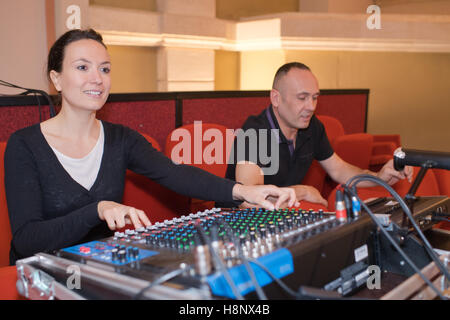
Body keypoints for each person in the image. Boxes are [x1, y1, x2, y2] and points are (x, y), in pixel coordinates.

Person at [4, 29, 297, 265]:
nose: (97, 78)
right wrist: (98, 210)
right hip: (43, 273)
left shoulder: (121, 139)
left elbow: (175, 174)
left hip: (100, 268)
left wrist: (243, 191)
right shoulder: (24, 145)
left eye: (104, 69)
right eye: (83, 67)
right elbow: (27, 239)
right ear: (56, 78)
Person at [222, 62, 413, 209]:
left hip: (281, 216)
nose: (311, 107)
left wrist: (380, 177)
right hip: (236, 226)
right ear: (276, 98)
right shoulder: (255, 132)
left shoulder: (312, 127)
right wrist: (303, 191)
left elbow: (340, 171)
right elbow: (252, 199)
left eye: (314, 98)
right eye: (302, 98)